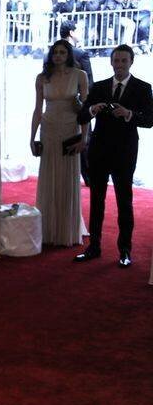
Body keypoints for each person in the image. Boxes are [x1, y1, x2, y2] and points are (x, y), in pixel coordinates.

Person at [74, 44, 153, 267]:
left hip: (125, 152)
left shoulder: (142, 87)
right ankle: (94, 247)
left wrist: (129, 114)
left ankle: (125, 250)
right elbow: (81, 116)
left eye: (123, 61)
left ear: (131, 62)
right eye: (116, 61)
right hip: (99, 150)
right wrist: (92, 109)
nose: (119, 65)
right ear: (111, 62)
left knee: (124, 201)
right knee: (96, 201)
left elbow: (149, 120)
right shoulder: (99, 87)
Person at [30, 40, 89, 247]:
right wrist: (32, 137)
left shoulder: (80, 75)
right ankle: (48, 229)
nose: (58, 56)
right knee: (49, 176)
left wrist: (85, 137)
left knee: (67, 177)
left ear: (69, 54)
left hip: (70, 129)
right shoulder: (42, 78)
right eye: (55, 52)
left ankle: (66, 229)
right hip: (48, 129)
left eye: (63, 52)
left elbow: (86, 111)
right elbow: (37, 109)